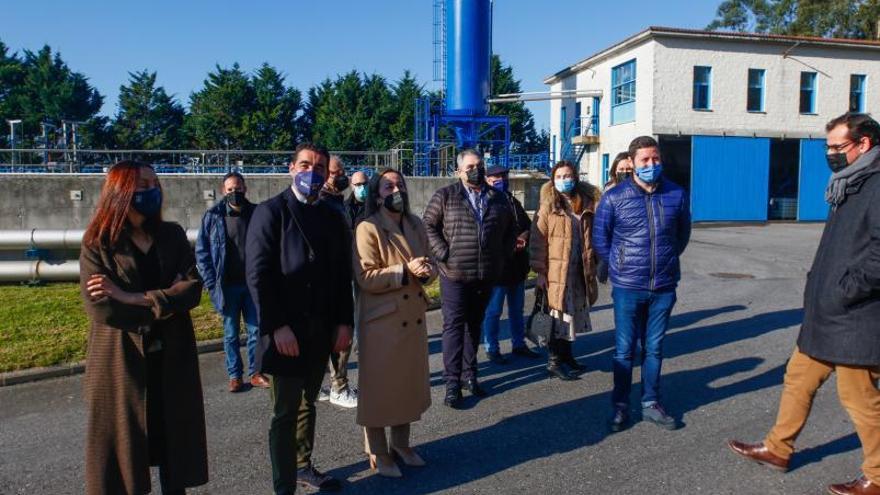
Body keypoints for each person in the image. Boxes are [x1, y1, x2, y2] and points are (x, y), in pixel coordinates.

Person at [728, 113, 880, 495]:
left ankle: (878, 475)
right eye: (826, 146)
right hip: (827, 314)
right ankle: (778, 449)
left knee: (859, 399)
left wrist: (846, 290)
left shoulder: (877, 185)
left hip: (857, 316)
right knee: (798, 377)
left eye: (836, 147)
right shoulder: (850, 181)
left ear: (863, 145)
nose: (829, 154)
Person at [80, 160, 207, 495]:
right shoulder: (99, 242)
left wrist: (131, 297)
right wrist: (167, 298)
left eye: (154, 184)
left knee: (173, 451)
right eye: (142, 185)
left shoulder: (172, 234)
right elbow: (103, 308)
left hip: (170, 359)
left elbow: (193, 289)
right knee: (123, 457)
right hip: (122, 363)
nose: (152, 190)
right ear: (120, 191)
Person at [246, 143, 354, 495]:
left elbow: (341, 275)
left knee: (309, 402)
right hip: (285, 332)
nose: (313, 172)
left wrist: (344, 323)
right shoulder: (271, 212)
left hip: (320, 330)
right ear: (292, 168)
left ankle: (303, 465)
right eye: (306, 165)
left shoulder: (330, 215)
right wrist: (276, 326)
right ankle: (284, 485)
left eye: (320, 167)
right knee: (284, 412)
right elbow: (258, 275)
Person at [593, 135, 691, 433]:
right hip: (627, 287)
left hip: (663, 286)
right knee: (624, 350)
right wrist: (620, 266)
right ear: (633, 163)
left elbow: (682, 235)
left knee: (655, 349)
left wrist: (665, 260)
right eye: (645, 160)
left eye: (655, 159)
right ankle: (620, 406)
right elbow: (601, 239)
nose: (651, 164)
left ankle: (651, 403)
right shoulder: (614, 197)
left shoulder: (676, 193)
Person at [353, 168, 437, 478]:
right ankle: (377, 450)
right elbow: (365, 277)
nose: (395, 190)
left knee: (407, 386)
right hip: (382, 321)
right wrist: (405, 270)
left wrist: (427, 272)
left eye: (399, 184)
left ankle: (401, 443)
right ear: (377, 194)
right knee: (379, 391)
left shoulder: (415, 223)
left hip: (411, 316)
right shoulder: (368, 228)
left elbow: (430, 263)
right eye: (388, 186)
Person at [423, 149, 515, 409]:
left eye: (479, 165)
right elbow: (428, 225)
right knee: (453, 326)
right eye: (470, 166)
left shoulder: (498, 198)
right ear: (459, 171)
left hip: (485, 274)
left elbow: (510, 230)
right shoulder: (445, 195)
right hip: (454, 273)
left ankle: (469, 374)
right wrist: (443, 253)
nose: (476, 170)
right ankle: (452, 382)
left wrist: (501, 256)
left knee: (474, 326)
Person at [195, 171, 268, 392]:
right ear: (223, 191)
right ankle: (235, 375)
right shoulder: (213, 216)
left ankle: (256, 372)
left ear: (245, 188)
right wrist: (210, 282)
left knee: (256, 331)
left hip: (252, 285)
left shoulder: (257, 214)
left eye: (238, 188)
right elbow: (202, 252)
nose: (234, 193)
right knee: (230, 333)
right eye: (230, 190)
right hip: (226, 286)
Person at [530, 160, 601, 380]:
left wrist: (595, 262)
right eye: (559, 176)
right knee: (557, 317)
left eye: (568, 175)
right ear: (553, 180)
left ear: (576, 177)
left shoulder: (587, 204)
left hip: (579, 270)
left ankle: (568, 357)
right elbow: (537, 242)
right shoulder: (548, 207)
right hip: (556, 272)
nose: (564, 180)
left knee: (572, 316)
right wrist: (540, 272)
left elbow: (593, 236)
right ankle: (554, 362)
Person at [481, 165, 540, 364]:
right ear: (487, 179)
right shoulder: (484, 202)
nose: (501, 180)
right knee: (493, 311)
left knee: (517, 310)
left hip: (517, 266)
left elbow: (527, 226)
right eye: (496, 177)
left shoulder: (512, 201)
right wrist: (509, 243)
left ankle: (518, 344)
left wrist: (523, 236)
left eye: (503, 176)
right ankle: (492, 348)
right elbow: (486, 234)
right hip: (497, 269)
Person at [315, 155, 358, 409]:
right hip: (330, 279)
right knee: (340, 336)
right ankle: (339, 387)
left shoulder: (335, 200)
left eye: (343, 171)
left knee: (333, 335)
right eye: (335, 172)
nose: (341, 176)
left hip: (340, 274)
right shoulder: (322, 203)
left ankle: (321, 385)